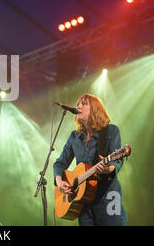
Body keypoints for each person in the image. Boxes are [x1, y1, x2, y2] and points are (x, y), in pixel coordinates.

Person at [53, 94, 127, 226]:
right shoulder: (74, 137)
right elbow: (60, 163)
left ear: (95, 109)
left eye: (84, 103)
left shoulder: (110, 131)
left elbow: (118, 161)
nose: (78, 106)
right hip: (84, 204)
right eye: (78, 103)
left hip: (108, 199)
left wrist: (108, 168)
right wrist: (59, 182)